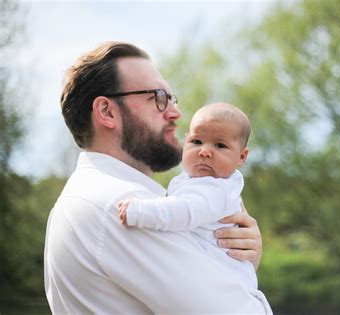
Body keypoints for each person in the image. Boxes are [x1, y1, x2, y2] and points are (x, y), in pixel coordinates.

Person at [44, 42, 266, 314]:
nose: (175, 112)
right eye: (158, 97)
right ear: (106, 112)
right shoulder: (124, 205)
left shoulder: (86, 197)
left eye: (172, 99)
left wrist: (232, 259)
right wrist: (242, 275)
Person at [118, 102, 272, 313]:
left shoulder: (213, 189)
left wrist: (139, 211)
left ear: (242, 157)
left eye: (220, 145)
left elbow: (183, 211)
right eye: (196, 141)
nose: (205, 152)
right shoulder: (196, 182)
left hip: (225, 293)